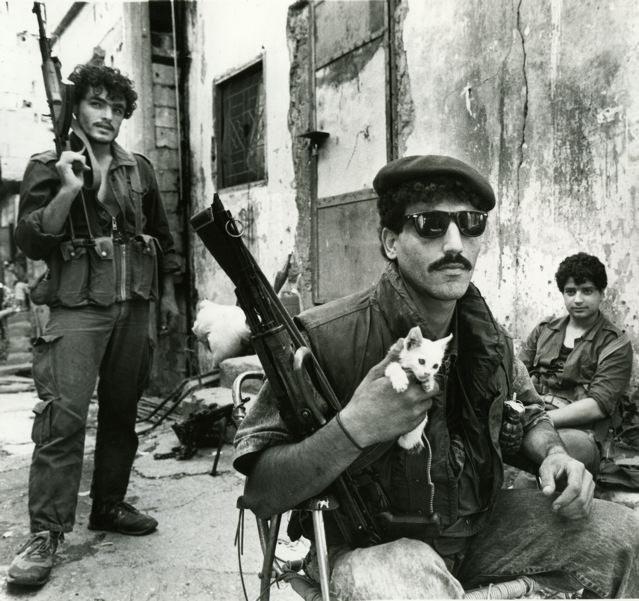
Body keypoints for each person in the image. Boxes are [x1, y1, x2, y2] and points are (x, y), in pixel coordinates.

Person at [233, 155, 639, 599]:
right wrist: (353, 428)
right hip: (369, 547)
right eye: (430, 224)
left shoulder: (489, 338)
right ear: (390, 241)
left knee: (624, 535)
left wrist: (553, 456)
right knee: (406, 581)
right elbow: (261, 494)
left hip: (480, 530)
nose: (455, 244)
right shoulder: (322, 339)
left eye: (470, 224)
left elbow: (530, 413)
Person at [7, 64, 180, 587]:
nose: (108, 116)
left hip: (135, 305)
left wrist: (167, 297)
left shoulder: (139, 170)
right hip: (77, 308)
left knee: (123, 414)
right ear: (76, 108)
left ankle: (109, 505)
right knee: (62, 422)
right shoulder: (47, 164)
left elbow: (161, 237)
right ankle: (46, 533)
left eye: (117, 108)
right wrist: (67, 187)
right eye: (97, 104)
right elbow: (31, 242)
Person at [519, 253, 633, 477]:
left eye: (587, 291)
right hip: (533, 416)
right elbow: (516, 375)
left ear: (602, 294)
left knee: (561, 451)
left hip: (580, 432)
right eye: (571, 292)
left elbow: (598, 405)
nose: (578, 299)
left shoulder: (615, 344)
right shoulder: (544, 330)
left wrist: (539, 420)